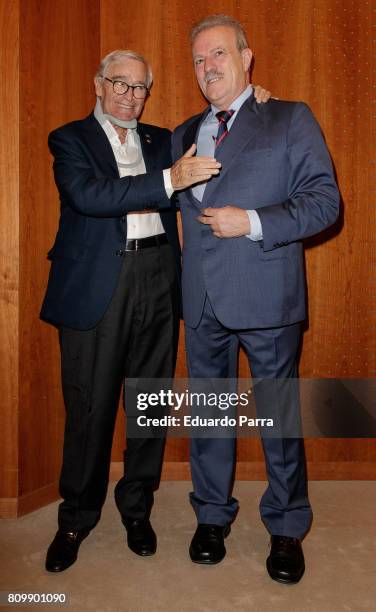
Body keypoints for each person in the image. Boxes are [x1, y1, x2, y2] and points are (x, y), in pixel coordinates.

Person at [41, 48, 270, 572]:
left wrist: (256, 100)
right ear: (98, 84)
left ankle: (136, 508)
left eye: (140, 87)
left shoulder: (162, 139)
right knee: (90, 409)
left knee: (151, 401)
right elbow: (89, 195)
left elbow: (223, 133)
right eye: (119, 84)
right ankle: (75, 516)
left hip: (159, 278)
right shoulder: (69, 139)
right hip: (98, 283)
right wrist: (169, 180)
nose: (130, 96)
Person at [172, 15, 339, 584]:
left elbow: (324, 203)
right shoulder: (181, 133)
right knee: (210, 415)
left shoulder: (289, 117)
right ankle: (212, 516)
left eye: (218, 53)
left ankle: (288, 526)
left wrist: (252, 221)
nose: (208, 67)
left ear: (247, 57)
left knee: (278, 418)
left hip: (267, 296)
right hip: (202, 301)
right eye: (199, 59)